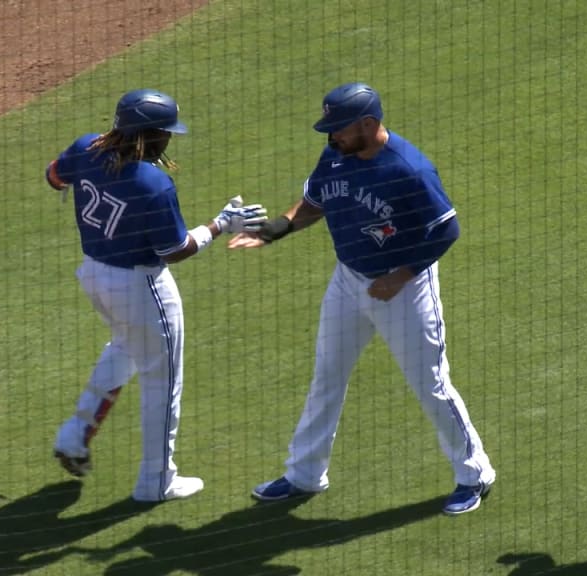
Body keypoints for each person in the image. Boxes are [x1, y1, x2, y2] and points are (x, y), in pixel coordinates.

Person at [229, 82, 496, 515]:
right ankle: (304, 474)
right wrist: (276, 229)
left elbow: (447, 229)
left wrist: (401, 275)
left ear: (368, 124)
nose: (331, 136)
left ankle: (475, 475)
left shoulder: (409, 170)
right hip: (348, 281)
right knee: (327, 374)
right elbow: (315, 201)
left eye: (339, 128)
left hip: (406, 290)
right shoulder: (337, 153)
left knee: (430, 384)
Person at [44, 89, 268, 502]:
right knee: (163, 382)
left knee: (126, 348)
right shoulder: (153, 183)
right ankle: (157, 481)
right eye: (165, 133)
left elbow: (54, 176)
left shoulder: (85, 148)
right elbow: (175, 250)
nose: (169, 140)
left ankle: (75, 434)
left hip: (94, 275)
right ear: (148, 135)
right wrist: (222, 223)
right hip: (141, 287)